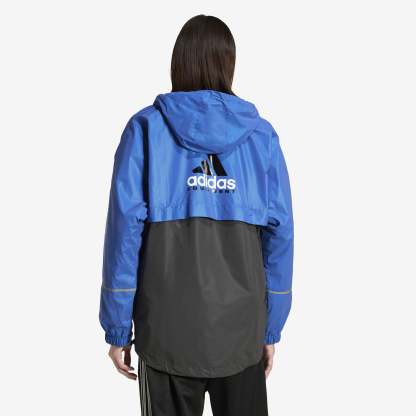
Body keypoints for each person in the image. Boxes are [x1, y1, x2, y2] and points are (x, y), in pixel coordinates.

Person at [99, 14, 294, 416]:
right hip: (240, 334)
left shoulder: (146, 130)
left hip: (166, 334)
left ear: (178, 62)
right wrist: (270, 327)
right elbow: (281, 238)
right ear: (229, 64)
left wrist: (118, 328)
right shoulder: (261, 138)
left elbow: (123, 236)